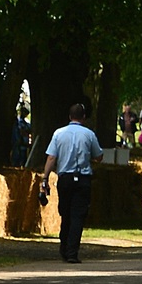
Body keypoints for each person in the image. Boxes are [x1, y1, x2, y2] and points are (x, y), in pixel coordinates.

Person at [39, 104, 104, 263]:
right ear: (84, 117)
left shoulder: (59, 134)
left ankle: (64, 247)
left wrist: (45, 178)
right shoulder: (89, 135)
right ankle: (72, 252)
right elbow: (99, 156)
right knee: (78, 215)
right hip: (82, 179)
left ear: (69, 117)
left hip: (65, 179)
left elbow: (51, 158)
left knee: (65, 213)